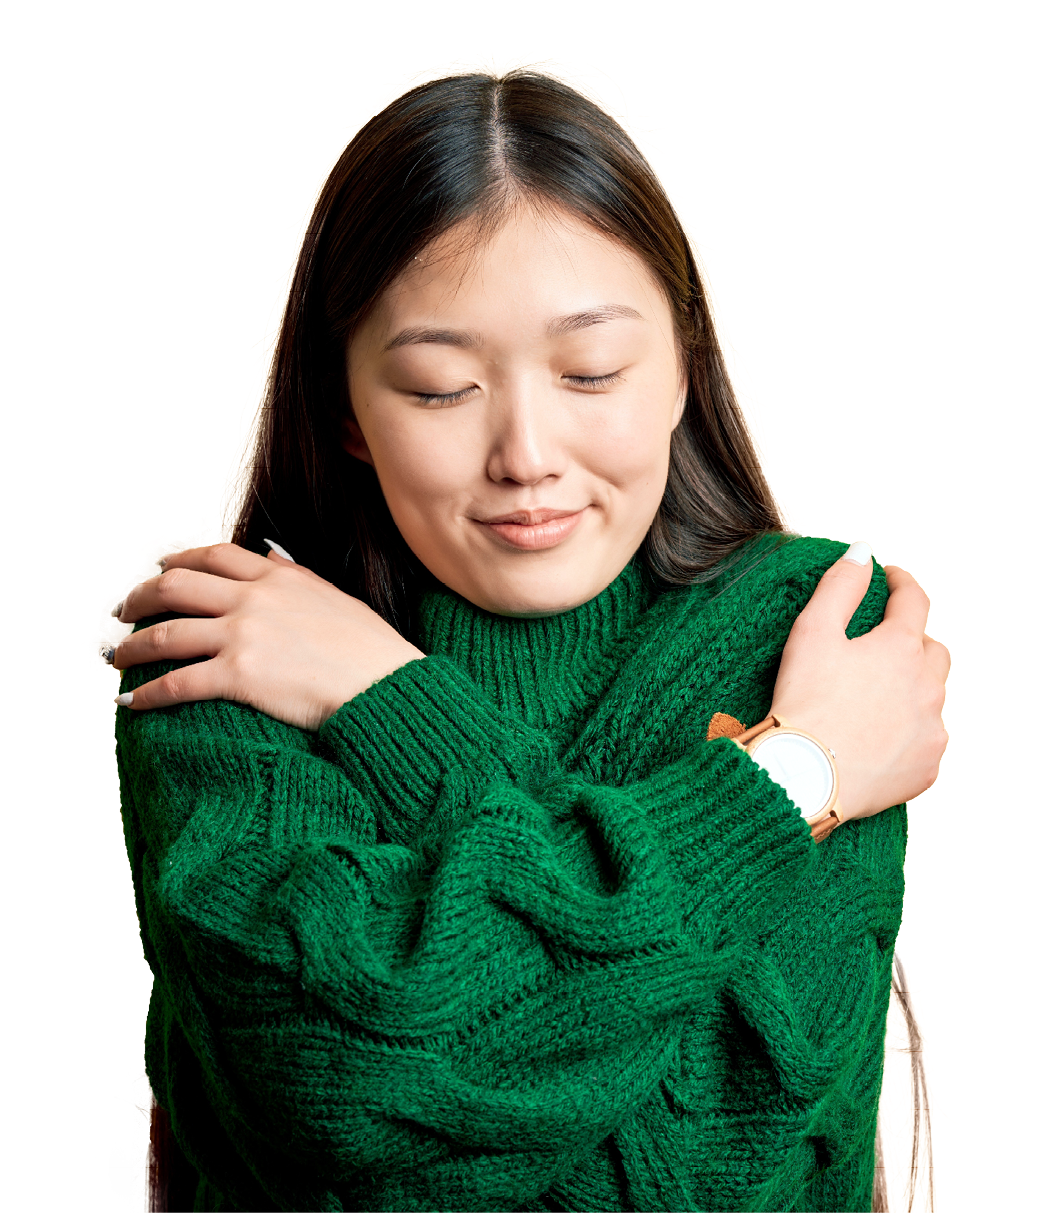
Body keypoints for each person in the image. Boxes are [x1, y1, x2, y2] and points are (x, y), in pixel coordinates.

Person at [103, 59, 951, 1213]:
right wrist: (786, 781)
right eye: (438, 387)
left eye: (590, 371)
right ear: (344, 408)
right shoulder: (221, 646)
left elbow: (707, 1175)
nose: (527, 455)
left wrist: (389, 701)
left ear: (681, 366)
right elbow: (340, 1104)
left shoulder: (811, 632)